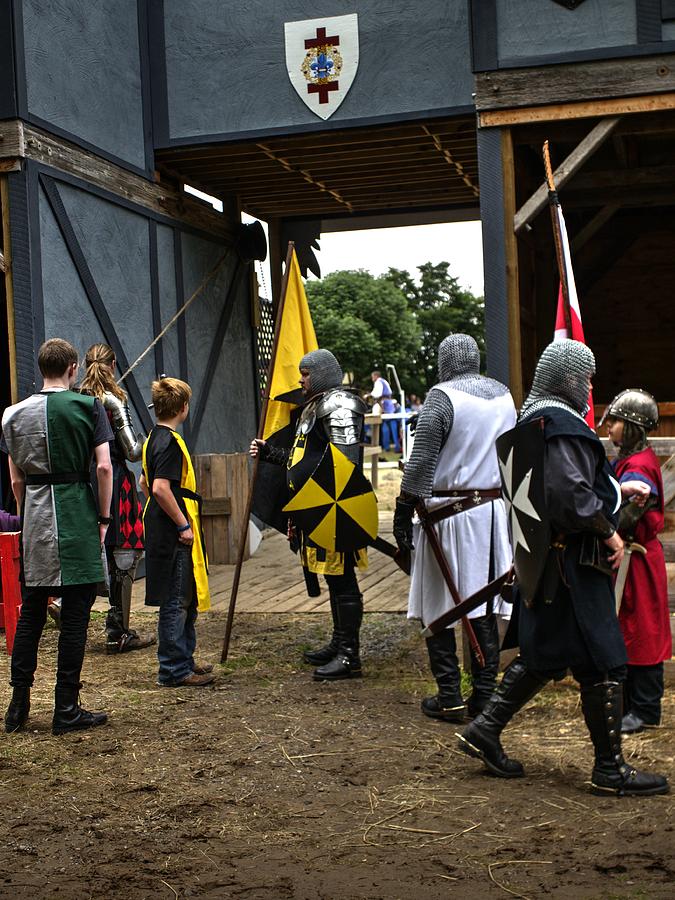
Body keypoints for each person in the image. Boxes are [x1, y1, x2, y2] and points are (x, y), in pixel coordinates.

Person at [458, 340, 668, 797]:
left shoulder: (534, 420)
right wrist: (610, 532)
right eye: (587, 377)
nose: (591, 386)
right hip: (575, 560)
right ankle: (609, 771)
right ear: (570, 378)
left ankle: (485, 729)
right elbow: (570, 495)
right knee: (607, 661)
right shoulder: (564, 426)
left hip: (551, 562)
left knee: (544, 653)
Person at [393, 334, 516, 722]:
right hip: (494, 514)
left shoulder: (442, 397)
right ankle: (484, 696)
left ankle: (450, 697)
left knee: (441, 603)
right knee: (483, 600)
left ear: (445, 360)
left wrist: (402, 508)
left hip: (448, 518)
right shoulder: (504, 396)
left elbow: (421, 461)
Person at [2, 338, 112, 735]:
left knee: (31, 612)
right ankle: (66, 708)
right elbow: (103, 468)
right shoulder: (88, 406)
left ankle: (18, 706)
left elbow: (16, 478)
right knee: (76, 616)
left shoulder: (12, 415)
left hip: (34, 516)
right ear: (71, 369)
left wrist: (27, 511)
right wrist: (103, 517)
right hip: (78, 516)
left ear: (41, 368)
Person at [251, 349, 368, 681]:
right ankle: (339, 642)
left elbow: (343, 464)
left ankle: (350, 656)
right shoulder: (314, 407)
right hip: (319, 506)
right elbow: (305, 456)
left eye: (305, 374)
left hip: (337, 506)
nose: (300, 380)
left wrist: (322, 499)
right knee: (333, 578)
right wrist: (272, 453)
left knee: (343, 579)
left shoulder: (340, 406)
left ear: (320, 374)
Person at [601, 389, 671, 735]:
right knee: (630, 630)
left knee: (642, 631)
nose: (608, 427)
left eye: (614, 422)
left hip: (638, 560)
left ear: (632, 426)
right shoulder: (629, 459)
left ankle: (645, 710)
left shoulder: (639, 466)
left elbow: (625, 518)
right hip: (629, 560)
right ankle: (632, 705)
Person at [79, 343, 155, 654]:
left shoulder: (77, 399)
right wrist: (152, 439)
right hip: (115, 481)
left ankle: (74, 614)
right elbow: (132, 451)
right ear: (112, 364)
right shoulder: (112, 400)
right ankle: (119, 631)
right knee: (124, 554)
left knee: (90, 550)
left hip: (83, 483)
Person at [141, 378, 213, 687]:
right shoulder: (168, 442)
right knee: (178, 600)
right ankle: (172, 668)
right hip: (173, 532)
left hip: (164, 525)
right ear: (183, 408)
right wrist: (182, 523)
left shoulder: (153, 437)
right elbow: (158, 487)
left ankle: (184, 658)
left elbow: (145, 483)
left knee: (187, 597)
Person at [368, 370, 400, 453]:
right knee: (392, 427)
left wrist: (369, 395)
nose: (372, 379)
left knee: (386, 427)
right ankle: (395, 446)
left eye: (372, 377)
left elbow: (377, 394)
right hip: (389, 405)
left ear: (375, 376)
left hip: (385, 405)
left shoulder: (378, 382)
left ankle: (387, 447)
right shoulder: (384, 381)